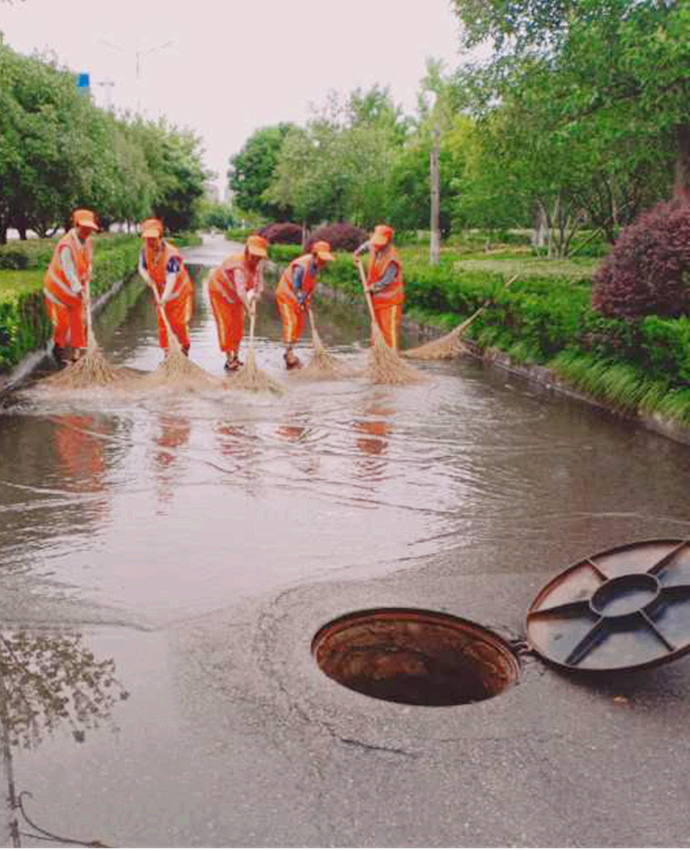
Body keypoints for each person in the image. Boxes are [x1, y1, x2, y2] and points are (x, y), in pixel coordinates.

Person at [43, 209, 99, 365]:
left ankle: (77, 352)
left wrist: (88, 271)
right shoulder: (66, 245)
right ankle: (58, 349)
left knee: (79, 320)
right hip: (57, 289)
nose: (88, 231)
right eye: (85, 228)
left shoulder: (88, 240)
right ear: (76, 225)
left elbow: (88, 259)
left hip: (73, 290)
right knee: (62, 323)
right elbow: (69, 272)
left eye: (90, 229)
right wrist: (80, 290)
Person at [206, 235, 268, 371]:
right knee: (226, 323)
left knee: (238, 324)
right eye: (253, 255)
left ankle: (236, 357)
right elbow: (241, 291)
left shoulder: (258, 265)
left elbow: (259, 283)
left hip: (235, 295)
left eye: (259, 256)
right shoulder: (238, 266)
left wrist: (257, 294)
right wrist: (249, 309)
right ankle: (229, 360)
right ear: (247, 251)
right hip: (219, 292)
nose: (255, 259)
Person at [137, 218, 194, 356]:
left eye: (153, 239)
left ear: (160, 237)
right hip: (161, 290)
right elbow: (141, 267)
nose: (150, 242)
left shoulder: (171, 255)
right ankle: (167, 353)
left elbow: (171, 278)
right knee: (162, 322)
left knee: (179, 323)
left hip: (178, 291)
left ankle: (185, 346)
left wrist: (164, 298)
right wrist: (147, 278)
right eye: (147, 239)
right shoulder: (144, 250)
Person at [275, 240, 335, 369]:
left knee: (299, 325)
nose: (324, 263)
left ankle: (288, 352)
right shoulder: (301, 267)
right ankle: (289, 355)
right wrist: (301, 300)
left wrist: (307, 302)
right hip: (286, 294)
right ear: (314, 255)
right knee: (291, 322)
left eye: (325, 260)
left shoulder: (316, 267)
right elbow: (296, 287)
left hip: (298, 297)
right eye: (322, 259)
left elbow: (308, 287)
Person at [353, 224, 404, 350]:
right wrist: (357, 253)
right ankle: (377, 355)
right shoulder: (374, 245)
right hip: (376, 300)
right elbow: (367, 245)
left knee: (389, 332)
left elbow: (387, 280)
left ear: (388, 241)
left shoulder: (392, 259)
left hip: (390, 302)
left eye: (380, 243)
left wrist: (373, 288)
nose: (377, 245)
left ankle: (391, 357)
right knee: (376, 330)